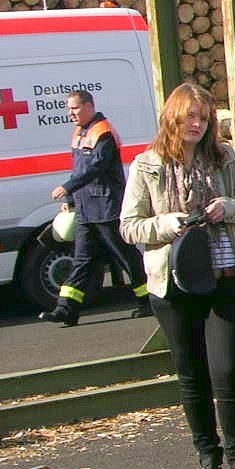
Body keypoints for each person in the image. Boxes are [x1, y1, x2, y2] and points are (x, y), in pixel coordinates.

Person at [119, 82, 235, 469]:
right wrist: (167, 224)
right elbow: (129, 227)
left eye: (204, 119)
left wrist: (229, 207)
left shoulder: (223, 158)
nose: (198, 125)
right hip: (175, 282)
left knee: (228, 372)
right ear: (173, 117)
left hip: (225, 279)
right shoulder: (147, 165)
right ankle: (208, 459)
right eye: (191, 117)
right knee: (192, 375)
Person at [39, 88, 150, 325]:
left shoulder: (103, 132)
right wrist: (70, 201)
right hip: (85, 209)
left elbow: (96, 167)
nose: (71, 113)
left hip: (106, 206)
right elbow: (79, 168)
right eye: (69, 108)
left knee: (126, 256)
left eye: (75, 108)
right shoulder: (80, 131)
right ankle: (66, 310)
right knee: (82, 260)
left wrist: (68, 187)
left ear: (89, 106)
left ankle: (149, 300)